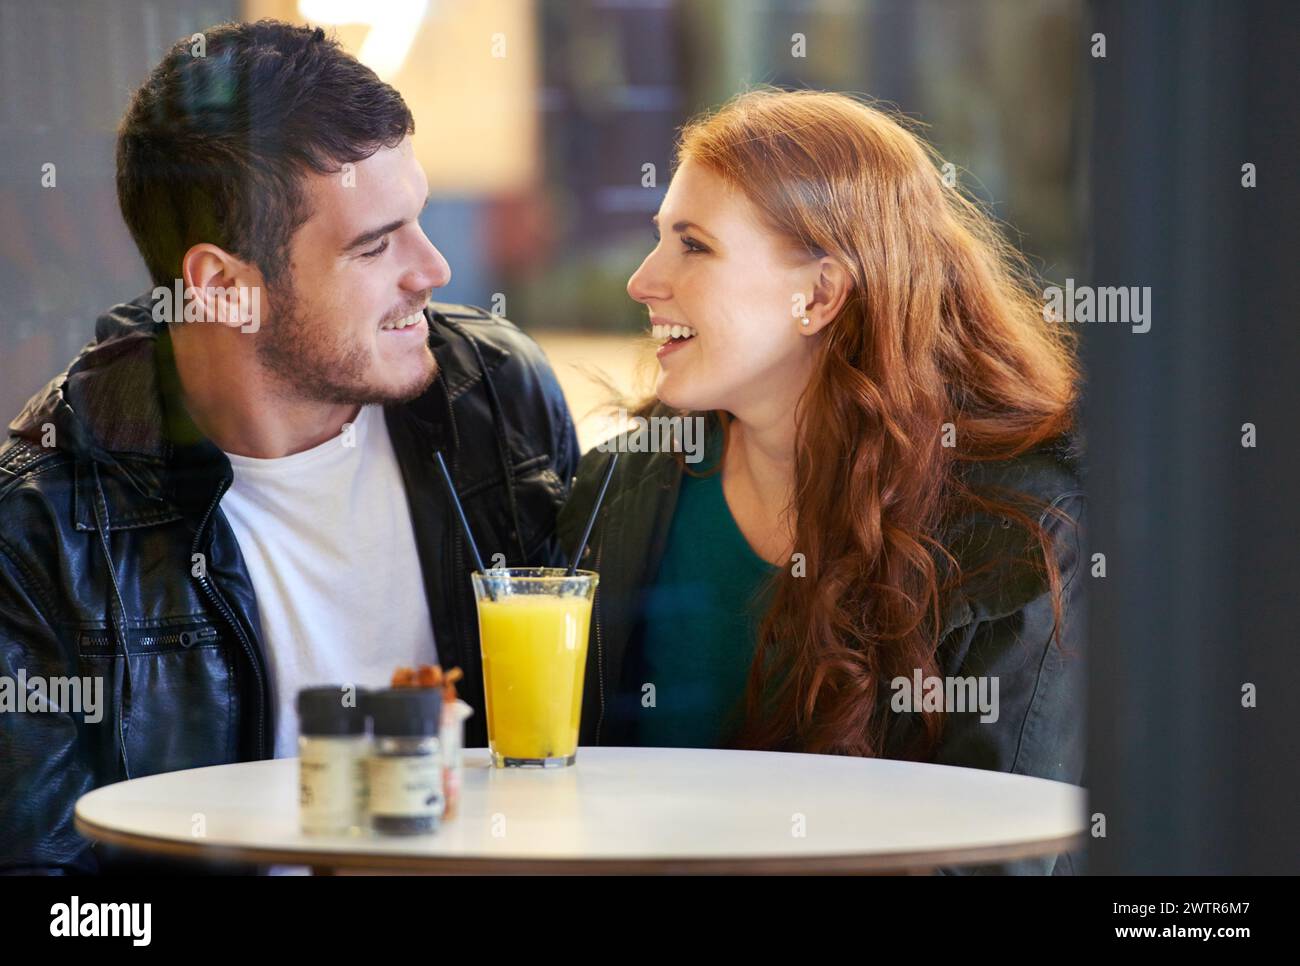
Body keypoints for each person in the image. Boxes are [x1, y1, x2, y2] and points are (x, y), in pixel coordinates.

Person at [0, 21, 577, 873]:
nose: (434, 269)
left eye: (415, 218)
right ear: (223, 287)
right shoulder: (48, 526)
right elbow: (52, 900)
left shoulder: (495, 394)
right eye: (375, 245)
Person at [559, 89, 1086, 875]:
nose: (644, 280)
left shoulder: (1024, 526)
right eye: (658, 239)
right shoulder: (622, 489)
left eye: (693, 246)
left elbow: (991, 859)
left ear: (821, 294)